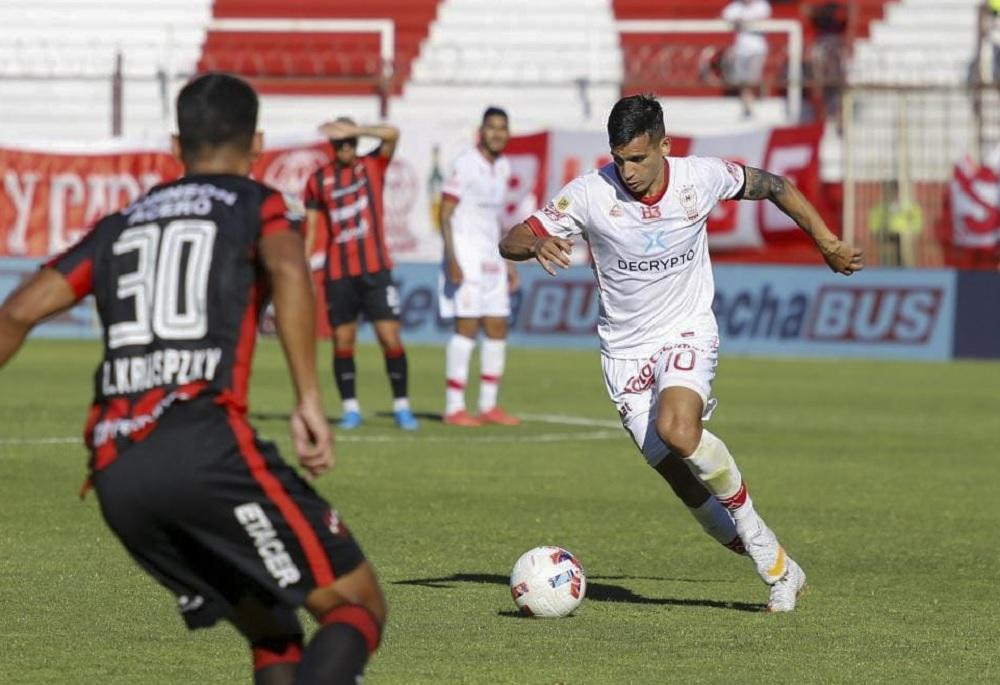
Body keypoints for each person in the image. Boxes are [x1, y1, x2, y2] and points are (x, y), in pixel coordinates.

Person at [0, 74, 386, 683]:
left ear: (177, 143)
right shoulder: (255, 203)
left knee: (273, 628)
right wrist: (309, 398)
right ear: (256, 142)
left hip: (115, 469)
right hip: (204, 446)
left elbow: (17, 313)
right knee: (358, 604)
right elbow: (288, 269)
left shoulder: (121, 222)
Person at [500, 94, 864, 612]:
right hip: (625, 352)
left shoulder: (701, 177)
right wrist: (534, 244)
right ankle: (781, 562)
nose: (627, 171)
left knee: (679, 430)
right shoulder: (588, 194)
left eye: (638, 159)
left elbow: (776, 187)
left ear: (664, 146)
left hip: (687, 329)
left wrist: (827, 243)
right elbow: (512, 238)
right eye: (618, 158)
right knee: (682, 481)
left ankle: (765, 553)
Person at [303, 116, 418, 431]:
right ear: (331, 146)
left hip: (376, 270)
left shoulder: (372, 166)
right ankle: (350, 408)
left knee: (389, 336)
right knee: (343, 339)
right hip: (339, 274)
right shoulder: (318, 180)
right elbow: (312, 228)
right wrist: (302, 266)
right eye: (340, 142)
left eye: (351, 142)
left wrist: (357, 130)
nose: (346, 147)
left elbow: (394, 134)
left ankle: (401, 406)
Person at [439, 107, 521, 427]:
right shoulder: (464, 164)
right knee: (467, 327)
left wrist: (509, 262)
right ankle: (454, 406)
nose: (497, 133)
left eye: (502, 128)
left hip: (492, 258)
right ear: (481, 131)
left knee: (498, 325)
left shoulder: (503, 167)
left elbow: (496, 218)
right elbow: (445, 214)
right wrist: (451, 258)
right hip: (466, 257)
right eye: (492, 128)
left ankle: (488, 405)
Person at [721, 0, 772, 118]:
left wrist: (741, 21)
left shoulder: (762, 5)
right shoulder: (735, 6)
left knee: (752, 79)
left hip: (757, 49)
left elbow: (760, 19)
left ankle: (756, 102)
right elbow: (724, 16)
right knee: (743, 80)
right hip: (741, 49)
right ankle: (748, 105)